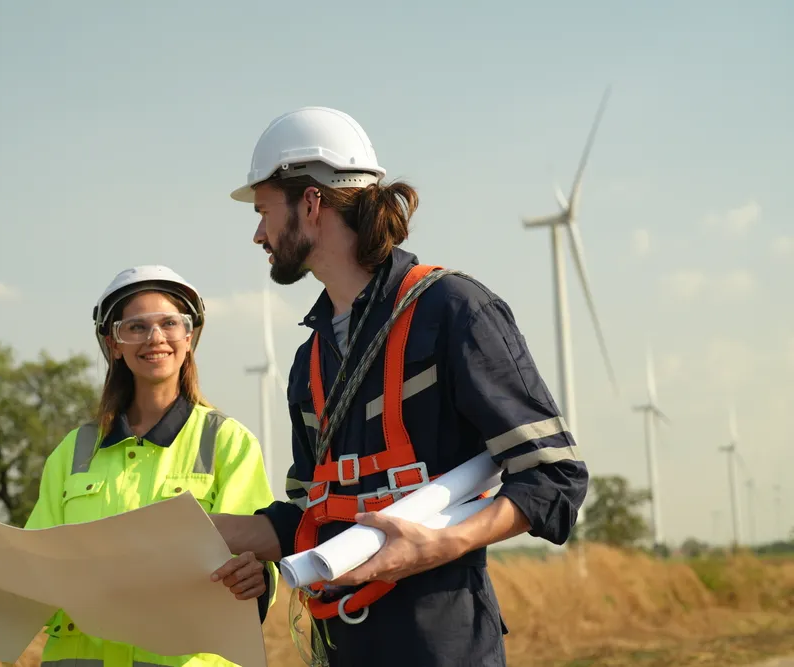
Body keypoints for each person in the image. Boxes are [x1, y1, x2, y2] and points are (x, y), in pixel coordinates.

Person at [209, 106, 589, 666]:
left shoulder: (453, 310)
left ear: (311, 204)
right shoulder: (308, 360)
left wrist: (442, 543)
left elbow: (555, 477)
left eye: (264, 210)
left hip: (442, 644)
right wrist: (210, 535)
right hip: (342, 646)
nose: (258, 234)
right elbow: (315, 515)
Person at [0, 264, 279, 667]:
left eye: (170, 323)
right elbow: (32, 569)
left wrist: (256, 577)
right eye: (135, 327)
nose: (155, 338)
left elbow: (256, 562)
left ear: (189, 338)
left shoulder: (227, 443)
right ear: (114, 343)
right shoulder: (73, 451)